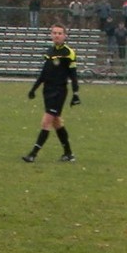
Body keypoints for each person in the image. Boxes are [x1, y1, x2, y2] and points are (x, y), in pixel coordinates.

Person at [23, 23, 80, 163]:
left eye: (60, 33)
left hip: (59, 91)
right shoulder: (49, 52)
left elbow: (73, 76)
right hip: (47, 91)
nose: (57, 35)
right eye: (54, 33)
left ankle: (33, 154)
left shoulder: (68, 53)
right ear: (51, 35)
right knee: (57, 122)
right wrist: (33, 89)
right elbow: (44, 74)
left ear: (65, 36)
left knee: (46, 121)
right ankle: (68, 154)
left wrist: (75, 93)